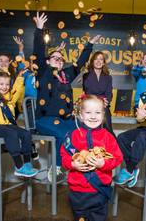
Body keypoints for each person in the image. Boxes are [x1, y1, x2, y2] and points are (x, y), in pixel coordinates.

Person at [32, 12, 101, 181]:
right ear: (48, 61)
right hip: (44, 120)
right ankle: (58, 166)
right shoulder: (44, 71)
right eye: (55, 58)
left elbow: (79, 64)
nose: (59, 60)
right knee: (65, 134)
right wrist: (39, 30)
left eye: (61, 59)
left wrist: (89, 45)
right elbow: (39, 52)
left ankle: (82, 166)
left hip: (65, 119)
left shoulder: (65, 75)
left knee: (82, 131)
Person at [61, 94, 123, 221]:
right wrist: (72, 165)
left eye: (98, 112)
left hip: (99, 190)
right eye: (88, 112)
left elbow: (117, 158)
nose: (93, 116)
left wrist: (103, 164)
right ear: (81, 115)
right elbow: (64, 157)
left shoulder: (108, 137)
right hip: (77, 191)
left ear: (103, 115)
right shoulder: (73, 136)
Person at [0, 56, 38, 177]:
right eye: (1, 84)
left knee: (26, 133)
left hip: (6, 126)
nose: (4, 86)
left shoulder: (9, 99)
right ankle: (19, 166)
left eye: (7, 84)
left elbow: (16, 93)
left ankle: (27, 164)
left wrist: (19, 79)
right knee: (11, 133)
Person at [82, 51, 114, 134]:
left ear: (103, 63)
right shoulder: (86, 75)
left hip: (103, 105)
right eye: (96, 59)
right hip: (90, 104)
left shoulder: (108, 77)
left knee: (107, 128)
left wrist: (104, 102)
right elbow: (88, 92)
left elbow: (109, 94)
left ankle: (110, 144)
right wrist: (100, 100)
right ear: (92, 62)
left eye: (101, 59)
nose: (98, 61)